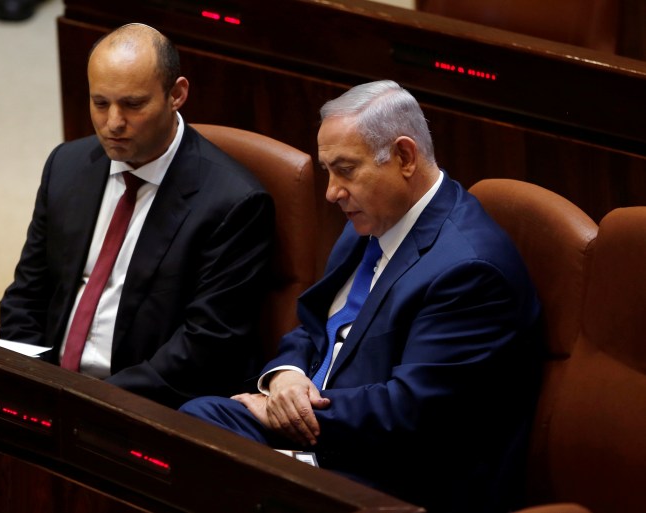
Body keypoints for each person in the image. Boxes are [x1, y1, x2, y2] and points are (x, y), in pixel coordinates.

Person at [180, 80, 542, 513]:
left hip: (392, 474)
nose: (332, 191)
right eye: (327, 171)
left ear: (404, 157)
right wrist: (286, 377)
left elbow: (409, 411)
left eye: (346, 170)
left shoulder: (468, 269)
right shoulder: (369, 225)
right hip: (327, 438)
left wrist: (284, 412)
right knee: (195, 424)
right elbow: (314, 325)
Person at [0, 24, 275, 408]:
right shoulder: (66, 165)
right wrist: (25, 377)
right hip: (50, 386)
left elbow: (205, 346)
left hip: (146, 406)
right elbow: (26, 296)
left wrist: (91, 400)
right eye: (100, 103)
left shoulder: (233, 203)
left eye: (132, 104)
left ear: (176, 94)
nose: (113, 123)